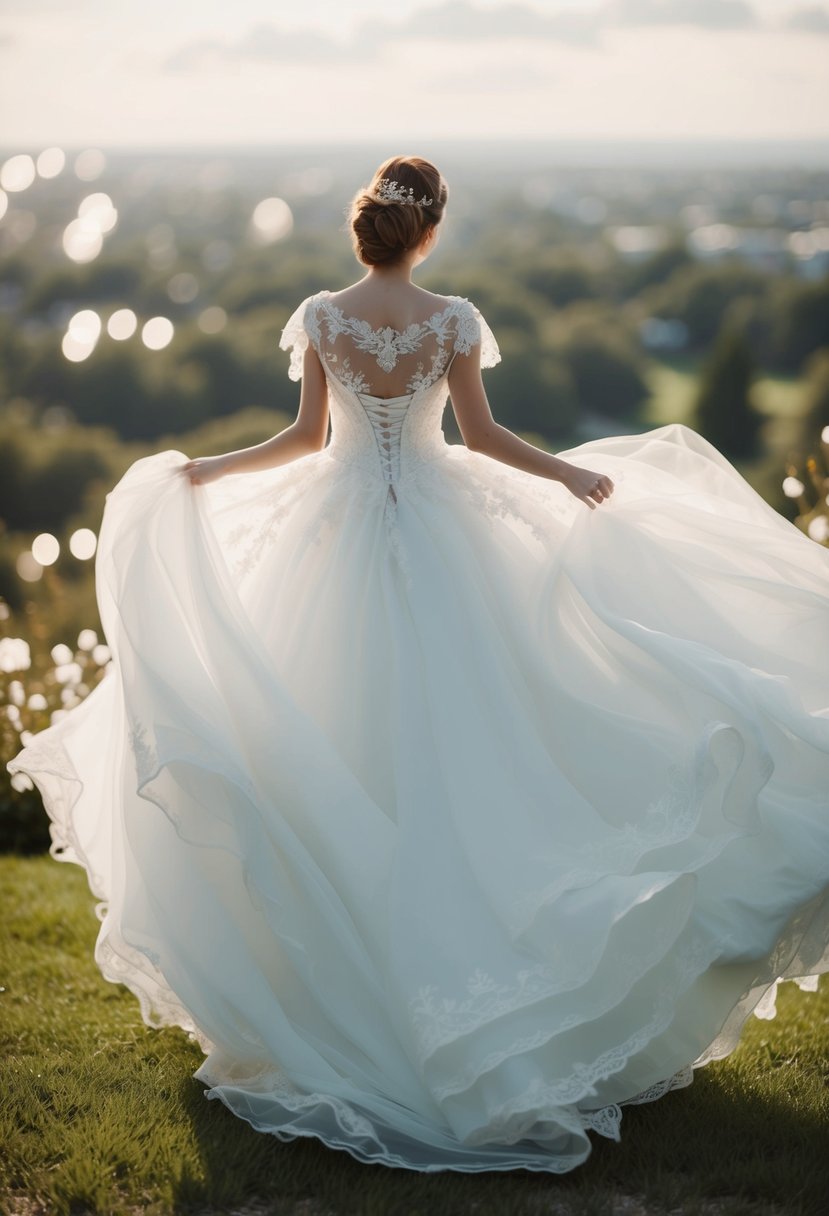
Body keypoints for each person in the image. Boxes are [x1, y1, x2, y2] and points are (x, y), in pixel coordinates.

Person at [7, 154, 829, 1176]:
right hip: (448, 534)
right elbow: (480, 437)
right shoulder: (451, 319)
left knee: (335, 743)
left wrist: (208, 471)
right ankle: (479, 979)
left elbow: (308, 439)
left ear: (366, 231)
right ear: (428, 230)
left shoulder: (319, 314)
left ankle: (350, 989)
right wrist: (567, 470)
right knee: (485, 748)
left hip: (335, 534)